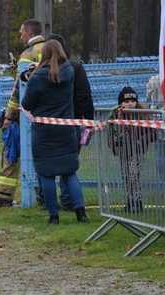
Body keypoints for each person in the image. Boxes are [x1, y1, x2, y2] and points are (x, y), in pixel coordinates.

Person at [21, 40, 87, 225]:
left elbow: (27, 104)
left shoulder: (38, 77)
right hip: (66, 130)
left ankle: (53, 216)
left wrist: (34, 73)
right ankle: (80, 212)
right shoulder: (69, 72)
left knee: (46, 174)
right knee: (70, 172)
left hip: (44, 132)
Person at [0, 19, 45, 208]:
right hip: (48, 112)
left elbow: (19, 89)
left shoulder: (28, 54)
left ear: (29, 33)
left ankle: (3, 197)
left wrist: (9, 115)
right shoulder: (52, 50)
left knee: (11, 154)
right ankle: (42, 196)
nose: (20, 36)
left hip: (26, 113)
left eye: (22, 32)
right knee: (41, 156)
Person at [46, 33, 94, 210]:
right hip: (72, 121)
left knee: (49, 166)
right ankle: (68, 200)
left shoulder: (44, 71)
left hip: (50, 123)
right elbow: (85, 97)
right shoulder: (75, 68)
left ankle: (50, 200)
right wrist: (88, 121)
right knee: (69, 165)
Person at [107, 87, 150, 214]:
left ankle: (137, 202)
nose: (129, 103)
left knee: (133, 176)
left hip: (136, 151)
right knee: (126, 176)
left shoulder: (142, 113)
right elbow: (110, 132)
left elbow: (151, 133)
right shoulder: (114, 113)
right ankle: (131, 201)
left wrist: (140, 142)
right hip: (123, 151)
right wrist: (114, 145)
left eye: (132, 100)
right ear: (121, 102)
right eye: (126, 101)